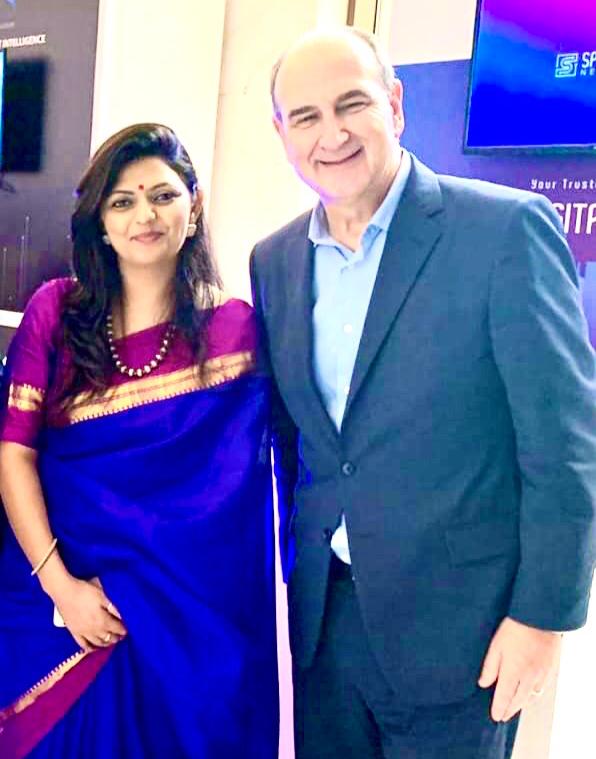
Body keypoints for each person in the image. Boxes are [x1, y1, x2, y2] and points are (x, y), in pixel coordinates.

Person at [249, 27, 596, 759]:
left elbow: (564, 445)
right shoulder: (274, 261)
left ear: (396, 105)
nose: (332, 134)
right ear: (281, 134)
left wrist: (542, 618)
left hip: (461, 631)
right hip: (324, 623)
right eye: (306, 116)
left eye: (352, 104)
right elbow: (294, 437)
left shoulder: (504, 231)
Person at [0, 123, 278, 758]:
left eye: (162, 195)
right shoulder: (56, 314)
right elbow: (14, 455)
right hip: (62, 603)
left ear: (194, 205)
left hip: (187, 616)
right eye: (122, 201)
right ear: (100, 222)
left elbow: (234, 492)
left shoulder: (236, 333)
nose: (144, 216)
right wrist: (61, 587)